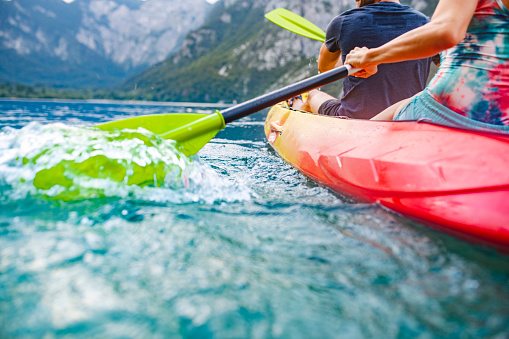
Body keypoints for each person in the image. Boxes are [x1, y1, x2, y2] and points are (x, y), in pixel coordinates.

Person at [345, 0, 509, 131]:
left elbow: (444, 32)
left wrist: (371, 57)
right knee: (402, 105)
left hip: (450, 114)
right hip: (503, 126)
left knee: (358, 137)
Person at [291, 0, 433, 119]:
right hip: (407, 117)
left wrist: (337, 46)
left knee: (312, 95)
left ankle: (295, 112)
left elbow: (325, 69)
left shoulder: (344, 22)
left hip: (354, 119)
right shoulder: (427, 24)